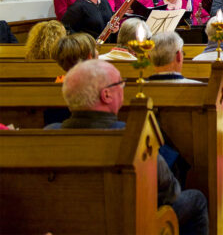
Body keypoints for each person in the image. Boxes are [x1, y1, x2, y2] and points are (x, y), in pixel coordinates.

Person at [47, 59, 209, 234]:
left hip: (63, 224)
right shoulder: (131, 136)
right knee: (196, 199)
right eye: (120, 83)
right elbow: (170, 191)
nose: (123, 88)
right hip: (127, 224)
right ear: (106, 95)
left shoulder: (47, 134)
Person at [147, 34, 223, 228]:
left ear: (149, 58)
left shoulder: (135, 92)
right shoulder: (200, 91)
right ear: (179, 57)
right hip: (202, 155)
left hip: (154, 167)